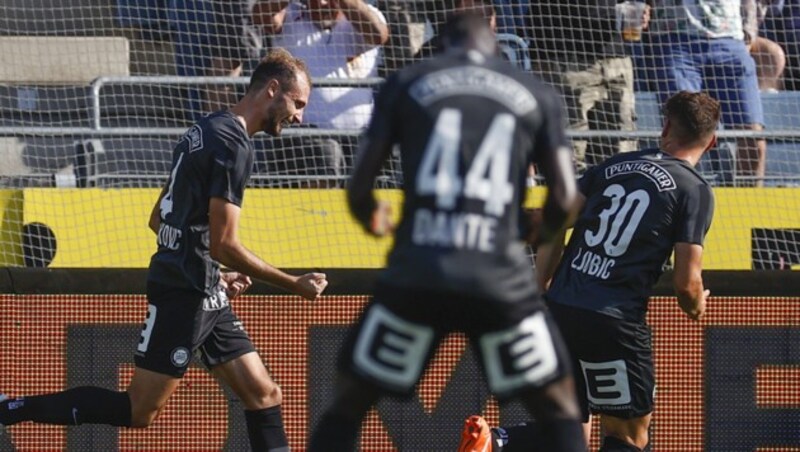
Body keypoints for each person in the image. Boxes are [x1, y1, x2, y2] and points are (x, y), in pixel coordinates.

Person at [0, 49, 328, 452]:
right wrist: (293, 283)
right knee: (139, 411)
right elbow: (225, 243)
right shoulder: (234, 145)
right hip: (184, 295)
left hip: (203, 287)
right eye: (298, 103)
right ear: (273, 89)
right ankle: (9, 408)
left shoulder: (206, 128)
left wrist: (212, 271)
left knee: (264, 394)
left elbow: (159, 218)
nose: (299, 116)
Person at [308, 13, 586, 452]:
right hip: (499, 276)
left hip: (419, 273)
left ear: (439, 45)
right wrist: (537, 227)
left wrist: (375, 220)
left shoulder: (407, 83)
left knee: (347, 404)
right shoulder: (536, 93)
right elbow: (567, 198)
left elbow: (359, 189)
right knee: (562, 411)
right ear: (494, 41)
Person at [465, 90, 720, 452]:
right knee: (627, 434)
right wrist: (696, 307)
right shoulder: (694, 190)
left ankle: (496, 443)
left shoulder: (614, 166)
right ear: (712, 142)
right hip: (613, 322)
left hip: (561, 310)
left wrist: (542, 286)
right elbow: (686, 283)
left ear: (665, 128)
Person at [253, 0, 389, 187]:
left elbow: (379, 35)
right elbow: (260, 15)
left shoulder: (365, 13)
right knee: (326, 157)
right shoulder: (289, 15)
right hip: (304, 133)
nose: (324, 4)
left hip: (361, 134)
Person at [648, 0, 766, 186]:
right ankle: (681, 198)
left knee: (753, 135)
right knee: (683, 129)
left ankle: (752, 201)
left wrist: (749, 32)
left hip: (731, 42)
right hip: (675, 39)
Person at [528, 0, 651, 170]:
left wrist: (641, 10)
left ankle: (617, 191)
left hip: (616, 57)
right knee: (571, 145)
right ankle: (572, 194)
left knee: (623, 143)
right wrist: (615, 12)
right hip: (566, 57)